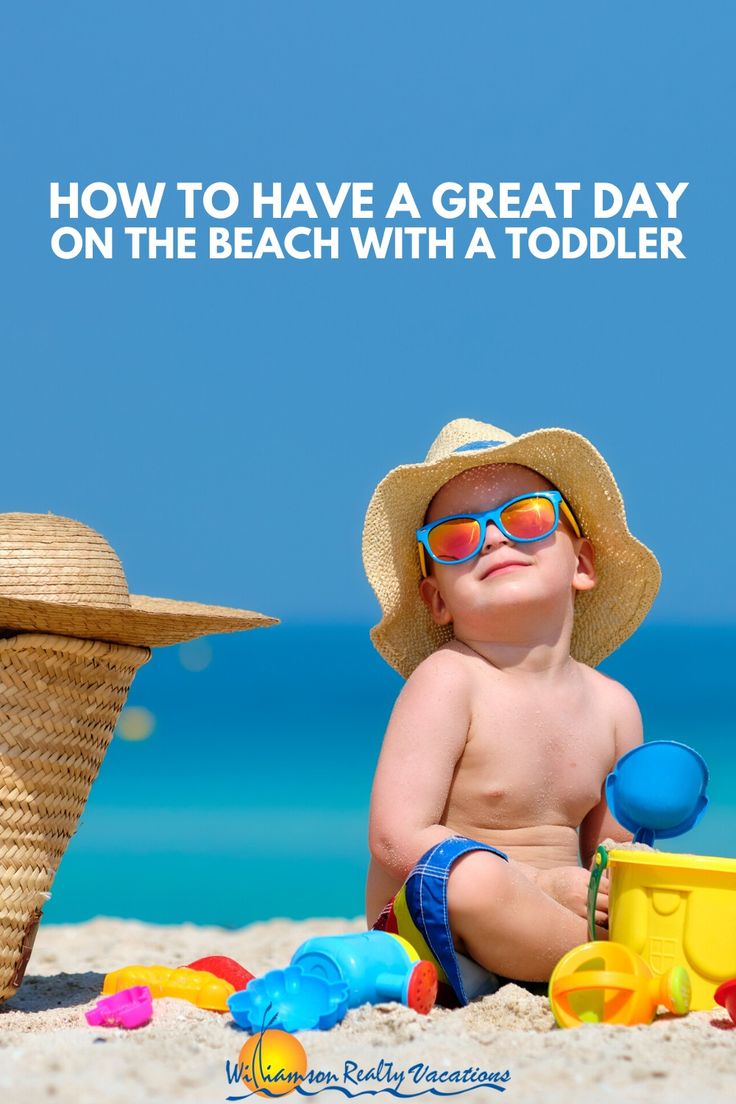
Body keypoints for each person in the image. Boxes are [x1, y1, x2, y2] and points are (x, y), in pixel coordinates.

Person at [361, 418, 661, 1005]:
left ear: (582, 564)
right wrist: (540, 883)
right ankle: (618, 966)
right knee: (470, 878)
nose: (493, 539)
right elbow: (396, 837)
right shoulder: (450, 680)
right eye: (455, 537)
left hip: (552, 926)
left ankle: (599, 956)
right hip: (432, 933)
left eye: (526, 518)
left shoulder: (613, 707)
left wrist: (624, 877)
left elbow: (611, 858)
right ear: (437, 599)